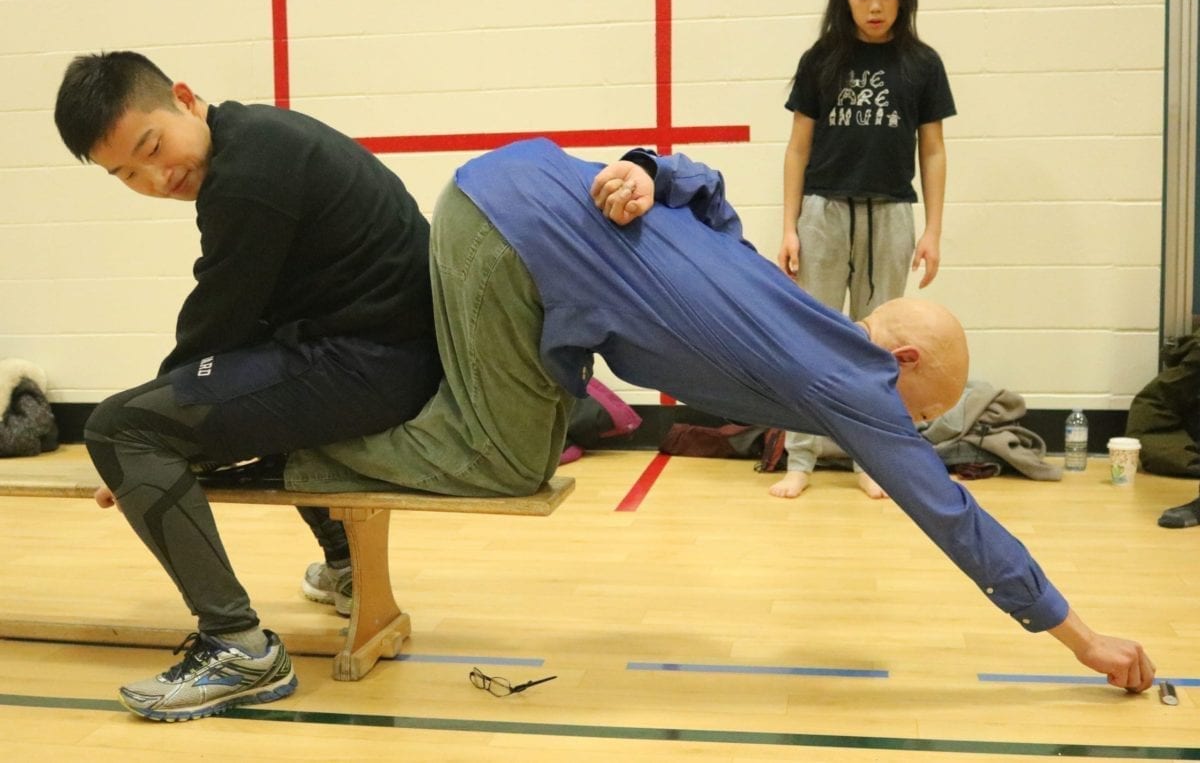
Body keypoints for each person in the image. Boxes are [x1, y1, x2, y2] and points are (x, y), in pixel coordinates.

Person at [285, 137, 1156, 696]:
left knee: (539, 432)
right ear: (902, 362)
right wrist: (1080, 637)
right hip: (505, 235)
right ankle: (297, 448)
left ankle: (330, 442)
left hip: (511, 189)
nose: (910, 433)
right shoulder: (851, 382)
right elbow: (954, 517)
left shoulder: (790, 299)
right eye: (917, 414)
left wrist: (648, 167)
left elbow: (705, 189)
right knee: (506, 464)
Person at [53, 51, 443, 721]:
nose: (155, 175)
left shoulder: (249, 172)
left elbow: (216, 318)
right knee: (210, 396)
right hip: (382, 355)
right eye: (127, 174)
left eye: (152, 146)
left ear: (183, 96)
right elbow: (236, 323)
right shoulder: (255, 140)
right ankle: (348, 567)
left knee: (118, 427)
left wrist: (143, 440)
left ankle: (238, 647)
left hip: (373, 363)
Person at [774, 0, 955, 500]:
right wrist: (788, 226)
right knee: (816, 337)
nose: (875, 6)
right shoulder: (820, 60)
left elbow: (933, 150)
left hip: (893, 211)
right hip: (824, 211)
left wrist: (932, 229)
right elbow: (798, 148)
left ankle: (868, 459)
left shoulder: (922, 64)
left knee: (877, 348)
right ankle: (799, 456)